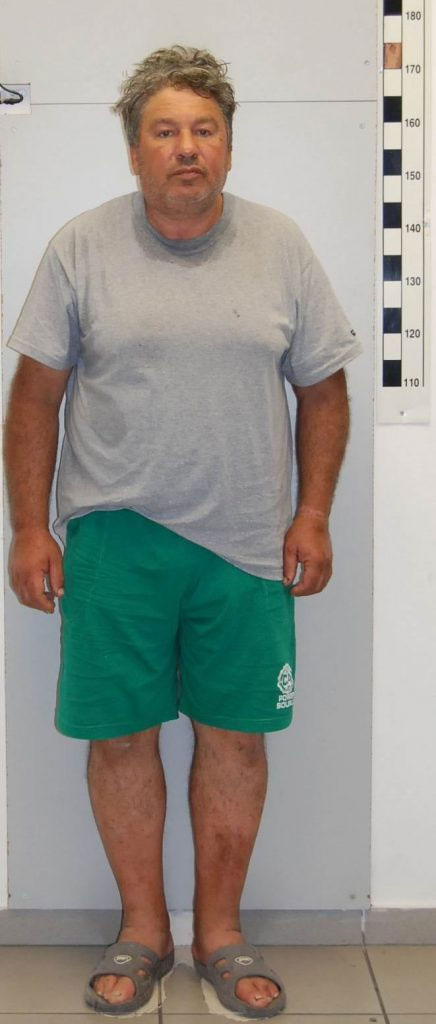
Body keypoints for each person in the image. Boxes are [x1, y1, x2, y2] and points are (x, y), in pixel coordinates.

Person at [4, 45, 362, 1019]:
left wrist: (314, 513)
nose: (186, 148)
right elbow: (34, 396)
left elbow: (324, 390)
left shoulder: (281, 246)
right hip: (114, 539)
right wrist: (29, 527)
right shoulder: (80, 248)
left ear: (229, 145)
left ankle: (220, 934)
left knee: (234, 738)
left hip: (248, 544)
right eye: (164, 131)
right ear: (135, 151)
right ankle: (143, 930)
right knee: (121, 737)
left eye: (204, 130)